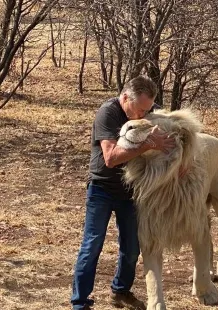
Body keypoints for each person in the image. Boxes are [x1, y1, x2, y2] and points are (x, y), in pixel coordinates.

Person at [71, 76, 175, 310]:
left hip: (132, 192)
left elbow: (173, 135)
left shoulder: (149, 110)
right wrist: (148, 144)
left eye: (147, 110)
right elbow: (111, 159)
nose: (143, 116)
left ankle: (120, 292)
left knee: (132, 248)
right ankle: (80, 303)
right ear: (125, 98)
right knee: (92, 245)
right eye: (139, 109)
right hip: (102, 189)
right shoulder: (108, 113)